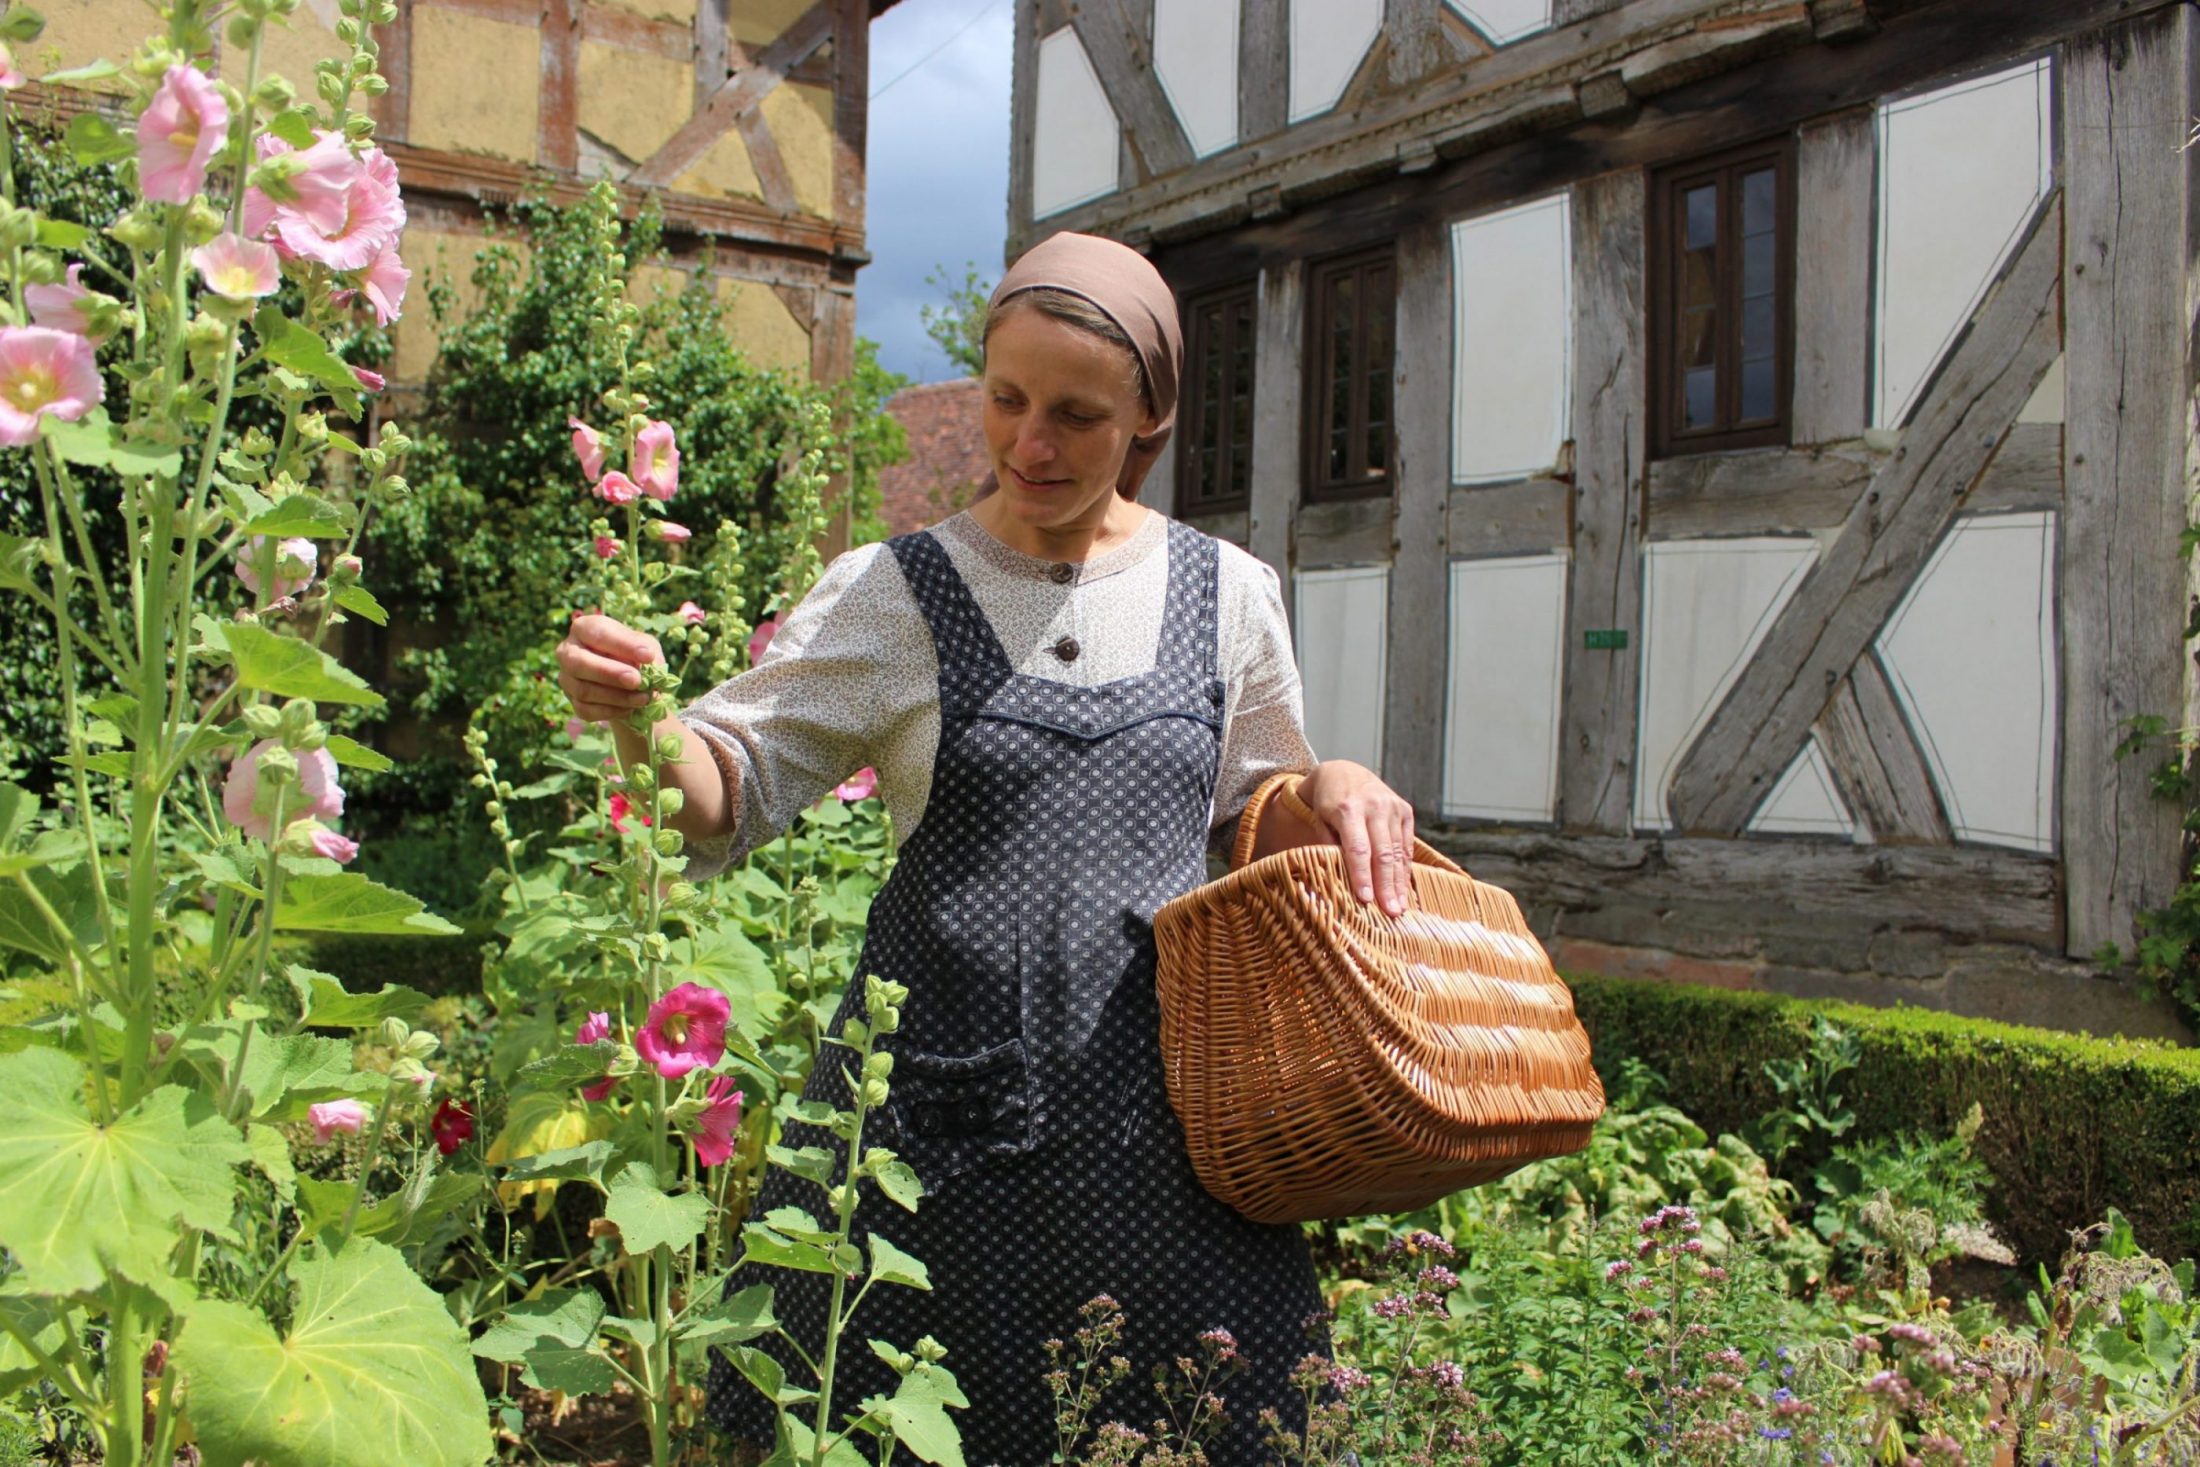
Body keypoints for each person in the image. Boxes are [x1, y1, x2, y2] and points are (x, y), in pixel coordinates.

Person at [555, 231, 1418, 1465]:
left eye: (1077, 414)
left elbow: (1247, 814)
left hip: (1162, 1140)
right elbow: (730, 789)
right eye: (1006, 400)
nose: (1029, 443)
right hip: (934, 1132)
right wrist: (643, 722)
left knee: (1184, 1426)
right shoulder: (896, 590)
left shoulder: (1226, 590)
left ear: (1148, 419)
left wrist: (1327, 782)